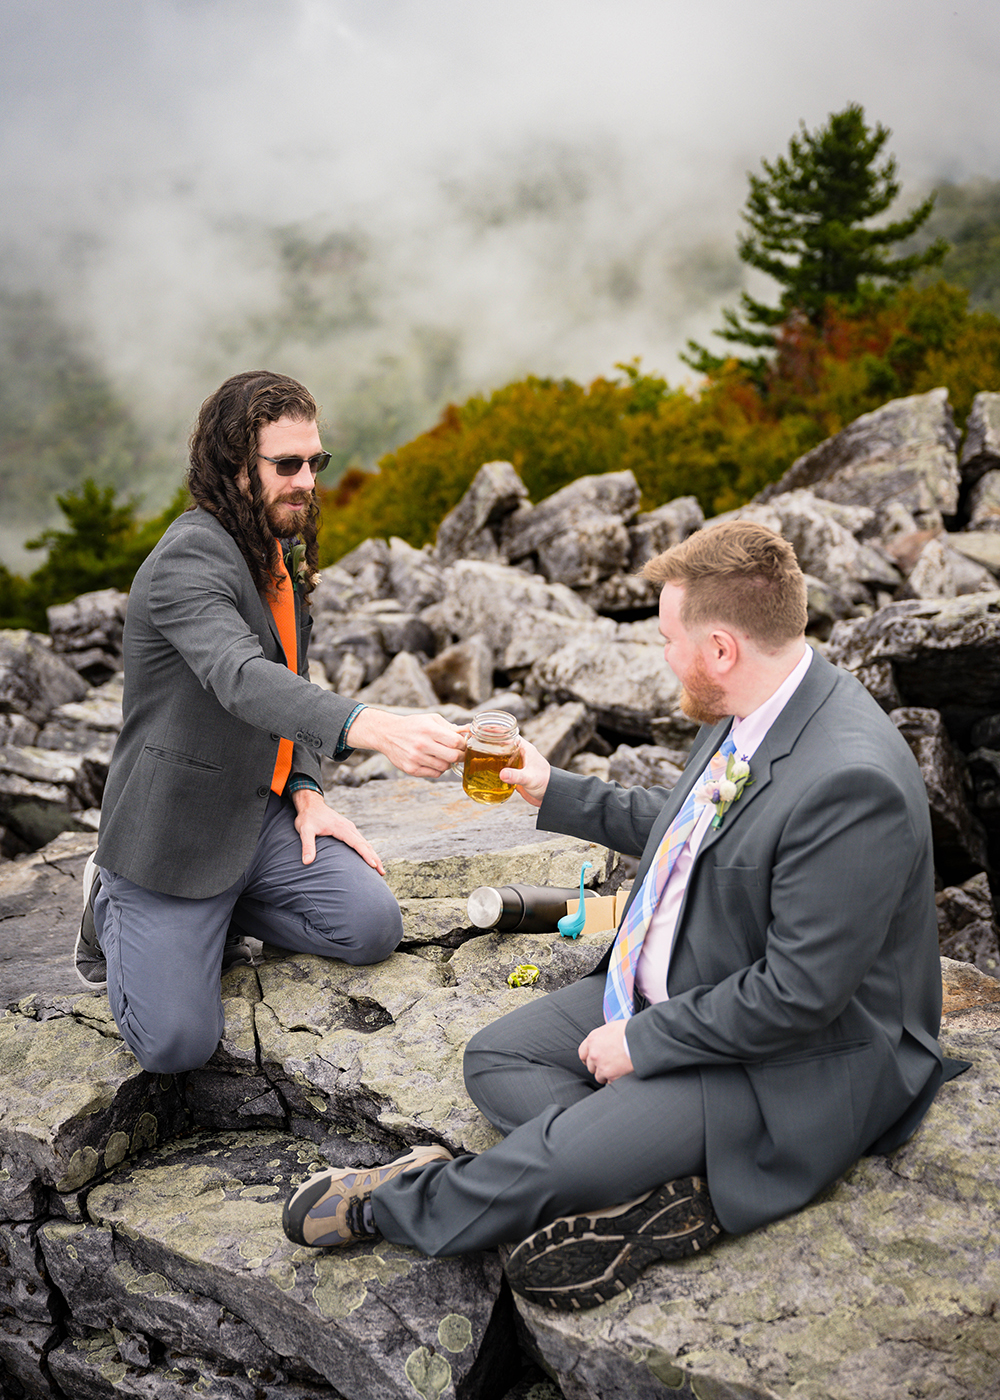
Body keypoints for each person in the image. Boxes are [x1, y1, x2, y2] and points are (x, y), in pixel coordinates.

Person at [282, 520, 947, 1312]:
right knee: (496, 1060)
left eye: (670, 639)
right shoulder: (766, 702)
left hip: (799, 1061)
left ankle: (395, 1202)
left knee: (561, 1156)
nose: (664, 656)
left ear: (722, 648)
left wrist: (642, 1040)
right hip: (702, 978)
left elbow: (800, 995)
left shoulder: (850, 781)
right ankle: (648, 1172)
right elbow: (697, 825)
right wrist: (551, 787)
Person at [75, 370, 464, 1074]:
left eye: (316, 462)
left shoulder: (278, 547)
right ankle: (112, 900)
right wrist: (369, 724)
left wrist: (309, 791)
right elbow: (241, 678)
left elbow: (291, 682)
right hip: (175, 831)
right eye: (286, 464)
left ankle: (216, 918)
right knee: (177, 1047)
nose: (307, 480)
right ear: (232, 466)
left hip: (259, 812)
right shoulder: (189, 560)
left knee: (371, 926)